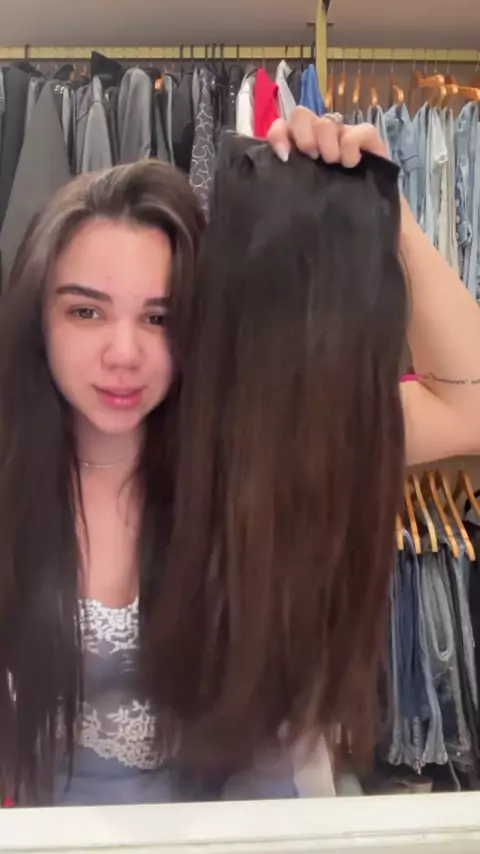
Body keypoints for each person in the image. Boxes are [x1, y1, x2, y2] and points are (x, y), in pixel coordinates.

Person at [0, 107, 479, 807]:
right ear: (37, 318)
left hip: (250, 826)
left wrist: (386, 205)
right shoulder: (13, 467)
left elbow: (469, 407)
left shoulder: (262, 439)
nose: (123, 353)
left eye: (159, 317)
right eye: (86, 312)